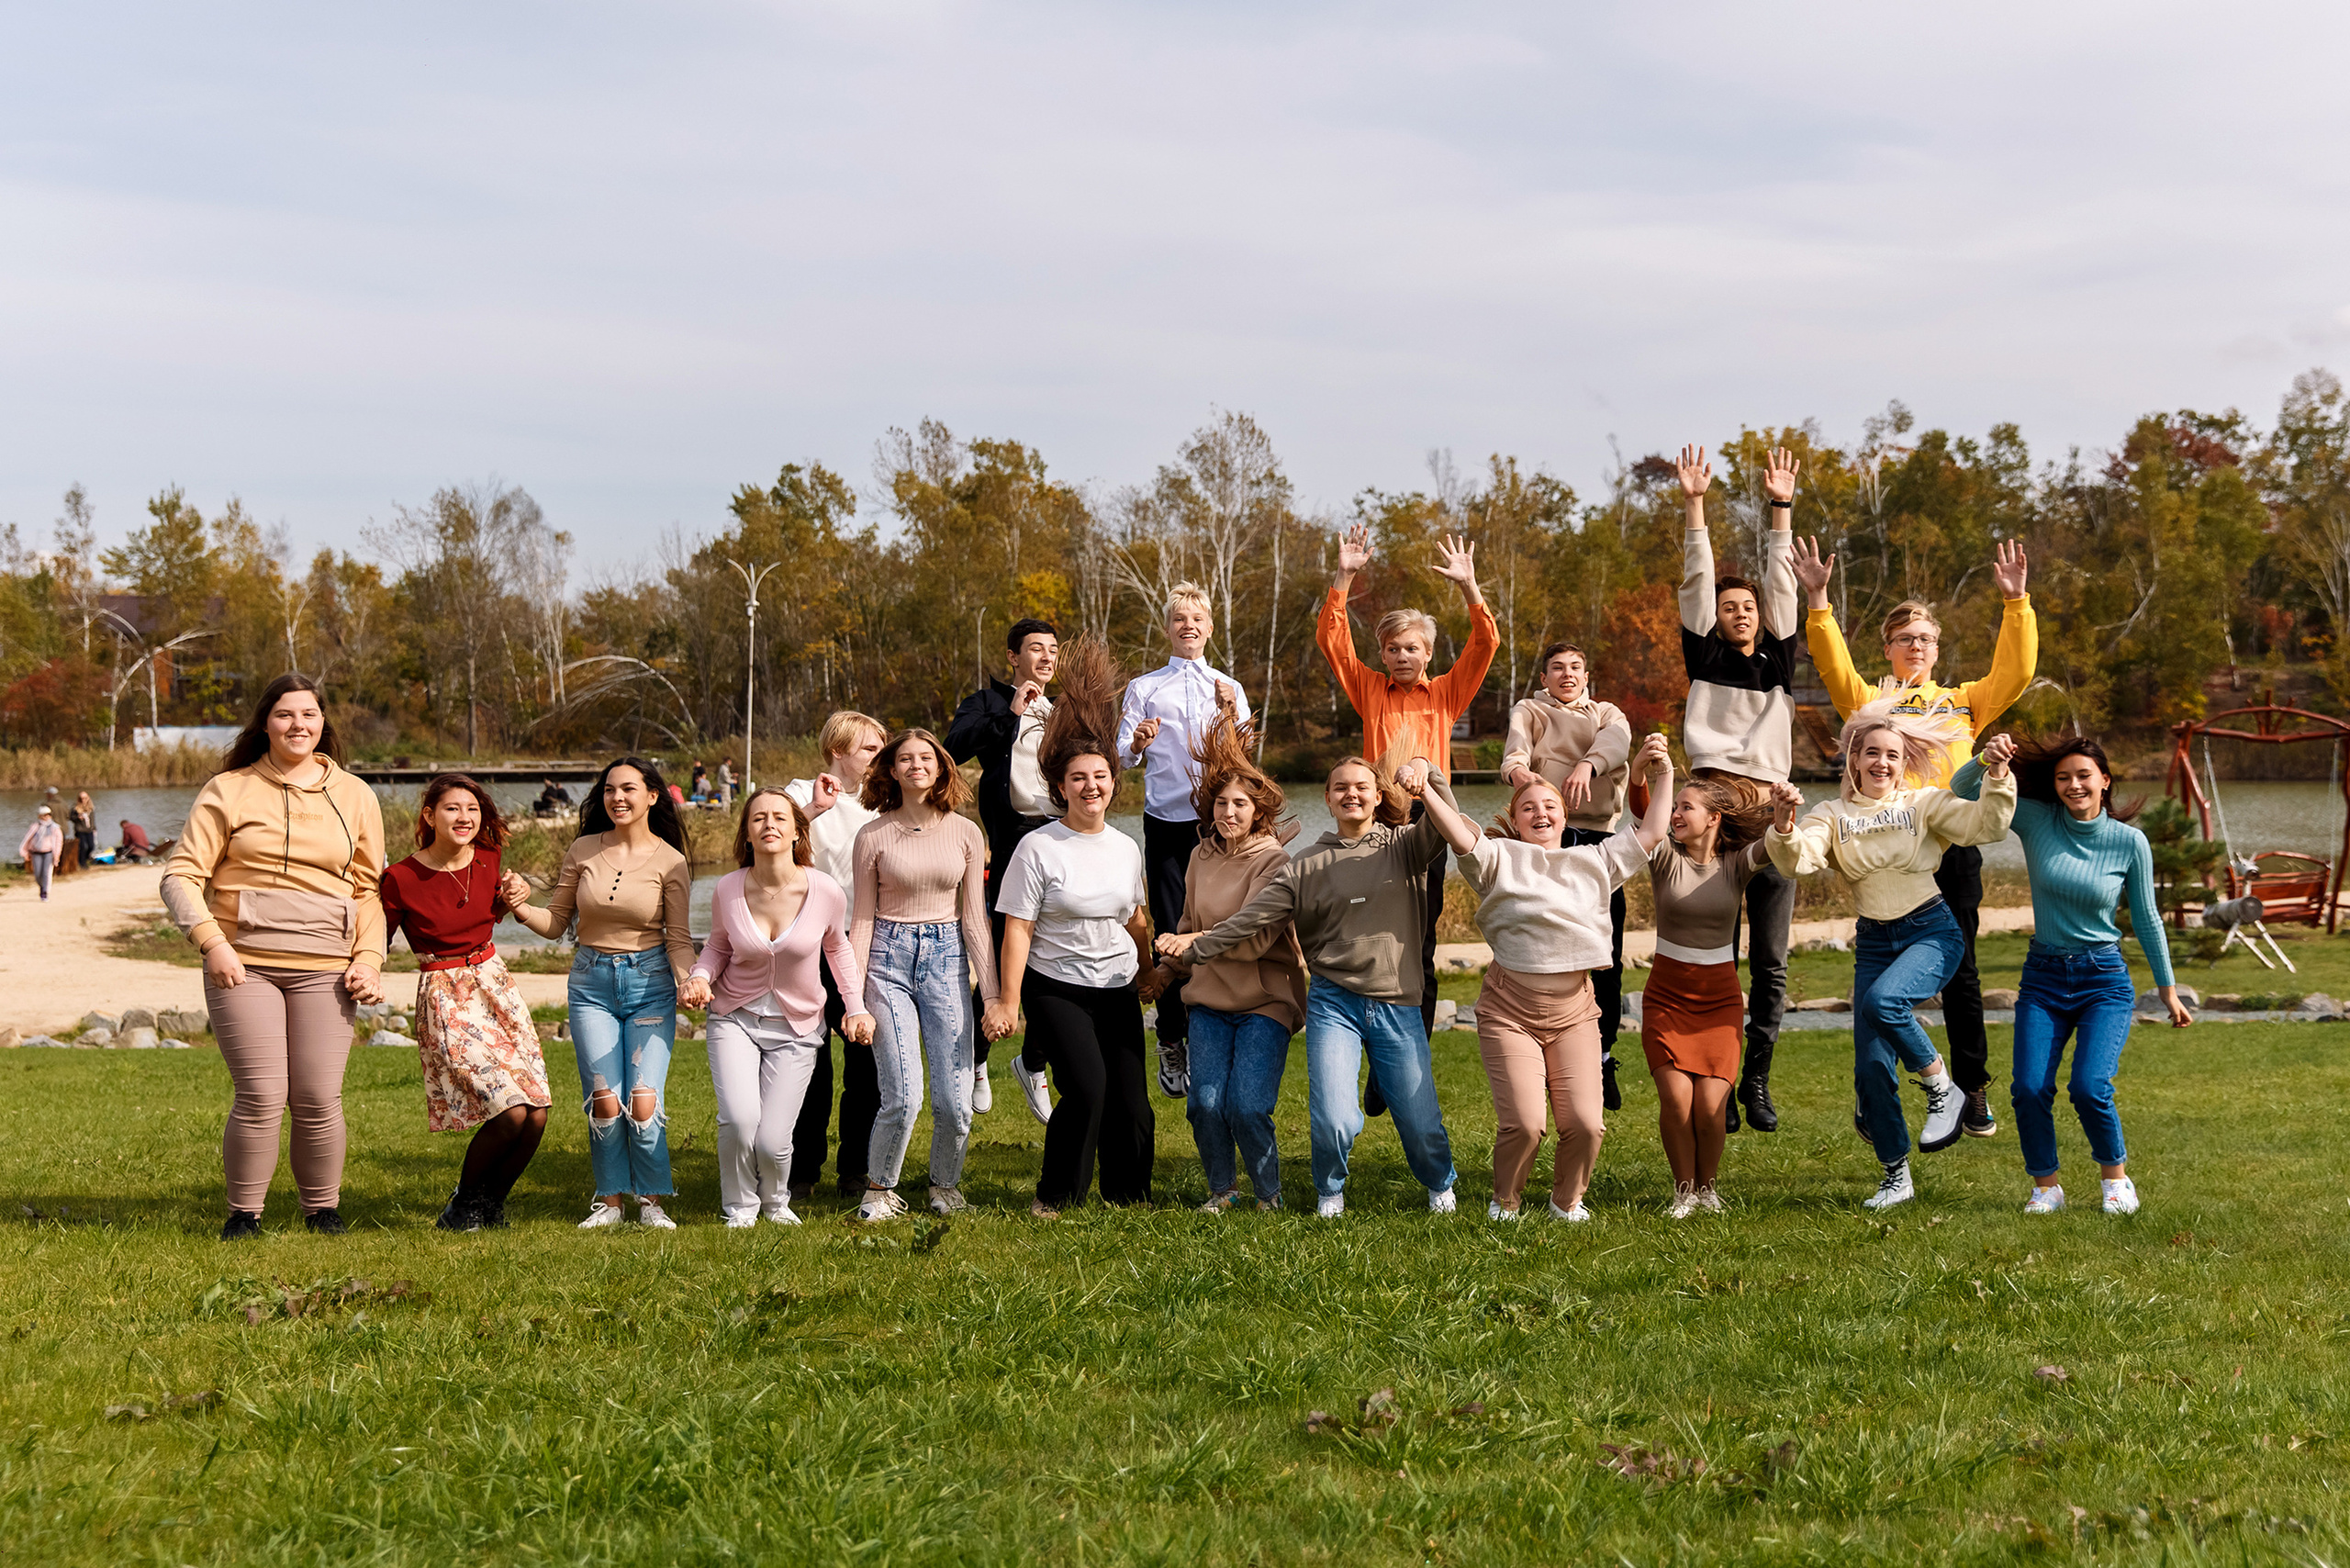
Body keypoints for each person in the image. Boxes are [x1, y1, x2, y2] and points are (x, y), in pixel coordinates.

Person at [1794, 532, 2037, 1140]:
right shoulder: (1871, 705)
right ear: (1890, 648)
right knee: (1878, 983)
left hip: (1951, 853)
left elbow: (2018, 670)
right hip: (1887, 856)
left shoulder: (1963, 705)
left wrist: (2016, 605)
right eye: (1906, 639)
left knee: (1962, 974)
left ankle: (1972, 1092)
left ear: (1936, 649)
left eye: (1926, 639)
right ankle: (1875, 1093)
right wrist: (1819, 604)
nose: (1917, 647)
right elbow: (1833, 666)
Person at [1158, 751, 1460, 1219]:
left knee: (1419, 1122)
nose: (1351, 794)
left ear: (1379, 797)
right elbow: (1250, 921)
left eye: (1361, 787)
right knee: (1333, 1119)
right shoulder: (1305, 865)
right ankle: (1330, 1191)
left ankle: (1440, 1182)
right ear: (1327, 798)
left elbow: (1449, 823)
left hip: (1396, 1002)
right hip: (1333, 1002)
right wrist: (1191, 951)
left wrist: (1428, 771)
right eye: (1340, 787)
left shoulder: (1406, 847)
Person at [1765, 702, 2018, 1211]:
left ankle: (1943, 1089)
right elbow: (1800, 860)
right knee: (1871, 1070)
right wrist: (1784, 822)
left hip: (1931, 931)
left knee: (1883, 1002)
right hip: (1876, 942)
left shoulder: (1924, 803)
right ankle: (1894, 1175)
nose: (1882, 763)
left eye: (1893, 756)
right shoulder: (1831, 816)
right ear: (1854, 760)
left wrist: (1996, 773)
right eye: (1872, 753)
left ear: (1904, 764)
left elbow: (1983, 826)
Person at [161, 674, 386, 1240]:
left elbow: (369, 889)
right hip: (244, 965)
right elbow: (180, 876)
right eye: (286, 715)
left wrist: (369, 960)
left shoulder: (356, 794)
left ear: (323, 723)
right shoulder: (228, 789)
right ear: (265, 722)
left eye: (309, 715)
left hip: (327, 969)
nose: (298, 726)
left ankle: (323, 1212)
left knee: (316, 1095)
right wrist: (212, 944)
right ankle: (244, 1216)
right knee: (262, 1094)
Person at [1415, 734, 1674, 1223]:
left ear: (1565, 815)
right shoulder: (1496, 859)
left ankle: (1566, 1202)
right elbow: (1457, 832)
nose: (1540, 813)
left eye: (1550, 805)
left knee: (1586, 1124)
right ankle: (1505, 1202)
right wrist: (1426, 788)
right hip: (1510, 1011)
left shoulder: (1595, 861)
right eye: (1528, 807)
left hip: (1575, 1011)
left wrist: (1664, 774)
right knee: (1526, 1125)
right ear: (1514, 821)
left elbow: (1655, 829)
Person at [1948, 738, 2190, 1216]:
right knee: (2029, 1087)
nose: (2074, 785)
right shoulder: (2037, 819)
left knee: (2089, 1086)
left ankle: (2116, 1181)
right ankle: (2046, 1188)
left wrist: (2168, 990)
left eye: (2084, 775)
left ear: (2104, 780)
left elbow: (2146, 918)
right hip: (2043, 977)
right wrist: (1988, 759)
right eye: (2064, 778)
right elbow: (1960, 789)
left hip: (2104, 980)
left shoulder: (2129, 842)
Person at [981, 637, 1163, 1216]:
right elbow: (1016, 930)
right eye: (1079, 778)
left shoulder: (1125, 846)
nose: (1091, 786)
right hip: (1056, 985)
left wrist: (1149, 971)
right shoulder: (1037, 848)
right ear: (1060, 787)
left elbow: (1135, 918)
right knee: (1087, 1089)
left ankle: (1128, 1197)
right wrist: (1007, 1001)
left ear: (1114, 783)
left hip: (1115, 986)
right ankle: (1055, 1196)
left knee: (1132, 1103)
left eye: (1101, 776)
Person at [1316, 525, 1496, 1067]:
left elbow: (1485, 643)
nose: (1401, 656)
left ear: (1427, 653)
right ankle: (1370, 1047)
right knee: (1373, 932)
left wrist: (1469, 587)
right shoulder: (1370, 687)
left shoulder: (1445, 692)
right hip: (1380, 820)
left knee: (1420, 938)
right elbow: (1333, 641)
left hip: (1429, 823)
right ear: (1383, 653)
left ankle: (1410, 1049)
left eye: (1412, 648)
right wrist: (1344, 576)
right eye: (1392, 648)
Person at [504, 756, 697, 1230]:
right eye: (610, 789)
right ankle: (609, 1202)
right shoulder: (583, 849)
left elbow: (677, 937)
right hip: (591, 983)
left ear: (653, 796)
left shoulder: (672, 861)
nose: (618, 798)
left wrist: (690, 978)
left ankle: (652, 1201)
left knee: (643, 1098)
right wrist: (519, 906)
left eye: (629, 789)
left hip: (651, 983)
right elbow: (555, 923)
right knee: (605, 1099)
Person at [1677, 444, 1804, 1135]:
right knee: (1716, 957)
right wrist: (1696, 505)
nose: (1740, 613)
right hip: (1717, 811)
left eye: (1748, 606)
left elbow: (1785, 587)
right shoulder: (1705, 654)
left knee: (1772, 962)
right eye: (1729, 608)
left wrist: (1779, 510)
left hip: (1771, 811)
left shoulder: (1781, 658)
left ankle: (1757, 1080)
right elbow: (1695, 580)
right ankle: (1719, 1079)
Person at [681, 787, 876, 1228]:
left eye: (779, 818)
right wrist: (699, 976)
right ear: (747, 835)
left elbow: (838, 950)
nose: (769, 824)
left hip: (799, 1024)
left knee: (772, 1140)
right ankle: (740, 1207)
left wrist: (856, 1006)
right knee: (738, 1119)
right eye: (758, 819)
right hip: (735, 1017)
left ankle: (775, 1200)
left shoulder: (824, 889)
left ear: (796, 832)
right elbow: (717, 946)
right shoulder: (728, 888)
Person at [1147, 713, 1307, 1212]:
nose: (1229, 812)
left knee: (1248, 1106)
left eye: (1240, 804)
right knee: (1204, 1105)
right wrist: (1162, 974)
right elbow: (1187, 921)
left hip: (1265, 1001)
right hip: (1210, 1002)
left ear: (1258, 811)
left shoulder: (1273, 861)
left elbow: (1252, 938)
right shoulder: (1200, 857)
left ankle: (1268, 1195)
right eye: (1222, 803)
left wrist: (1186, 941)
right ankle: (1223, 1191)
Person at [380, 774, 552, 1232]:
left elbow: (490, 911)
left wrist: (518, 894)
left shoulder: (491, 859)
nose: (464, 817)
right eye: (453, 808)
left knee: (536, 1111)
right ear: (429, 815)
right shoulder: (399, 878)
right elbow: (375, 940)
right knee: (510, 1108)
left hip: (496, 986)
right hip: (446, 992)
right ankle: (462, 1204)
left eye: (472, 809)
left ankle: (491, 1205)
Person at [847, 727, 998, 1221]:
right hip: (886, 962)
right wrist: (853, 1000)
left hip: (947, 957)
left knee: (955, 1100)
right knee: (904, 1094)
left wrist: (993, 996)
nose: (916, 765)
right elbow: (862, 919)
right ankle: (879, 1190)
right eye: (905, 759)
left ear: (940, 768)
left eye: (926, 758)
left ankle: (945, 1186)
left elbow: (975, 918)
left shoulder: (966, 832)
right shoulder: (872, 835)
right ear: (892, 770)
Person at [1118, 585, 1251, 1101]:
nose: (1188, 626)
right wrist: (1137, 743)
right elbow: (1122, 756)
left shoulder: (1230, 687)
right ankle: (1171, 1036)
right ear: (1168, 628)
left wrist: (1227, 717)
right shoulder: (1145, 687)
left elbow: (1244, 761)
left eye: (1197, 618)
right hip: (1168, 822)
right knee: (1172, 927)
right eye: (1179, 619)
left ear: (1210, 627)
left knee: (1219, 923)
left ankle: (1216, 1028)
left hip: (1220, 821)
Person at [1501, 640, 1635, 1108]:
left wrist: (1585, 766)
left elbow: (1618, 744)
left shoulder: (1605, 713)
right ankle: (1535, 1052)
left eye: (1576, 667)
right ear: (1544, 677)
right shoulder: (1530, 710)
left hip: (1598, 838)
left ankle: (1602, 1054)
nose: (1567, 674)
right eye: (1557, 668)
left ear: (1586, 675)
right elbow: (1515, 755)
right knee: (1545, 945)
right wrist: (1529, 782)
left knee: (1605, 949)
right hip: (1545, 838)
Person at [1643, 770, 1776, 1215]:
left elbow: (1776, 841)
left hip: (1718, 1001)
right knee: (1678, 1103)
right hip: (1666, 996)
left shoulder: (1737, 863)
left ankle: (1708, 1190)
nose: (1676, 814)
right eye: (1675, 806)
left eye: (1687, 807)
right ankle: (1684, 1192)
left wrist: (1786, 811)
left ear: (1714, 818)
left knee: (1709, 1108)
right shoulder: (1663, 856)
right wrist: (1650, 771)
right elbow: (1644, 812)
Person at [947, 616, 1065, 1123]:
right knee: (999, 957)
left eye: (1053, 650)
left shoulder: (1065, 710)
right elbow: (954, 747)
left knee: (1055, 958)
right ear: (1014, 657)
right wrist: (1013, 714)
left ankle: (1034, 1062)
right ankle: (975, 1058)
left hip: (1061, 835)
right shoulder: (988, 703)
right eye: (1035, 649)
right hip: (1013, 839)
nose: (1045, 657)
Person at [782, 711, 888, 1200]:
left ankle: (857, 1169)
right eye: (870, 748)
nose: (879, 756)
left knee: (865, 1062)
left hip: (868, 940)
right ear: (838, 751)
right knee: (812, 1059)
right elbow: (771, 846)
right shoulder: (802, 791)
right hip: (811, 944)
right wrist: (815, 809)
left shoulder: (887, 798)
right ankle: (802, 1169)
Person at [20, 806, 62, 900]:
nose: (46, 817)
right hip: (36, 852)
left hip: (48, 853)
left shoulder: (55, 828)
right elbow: (27, 839)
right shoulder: (35, 826)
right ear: (40, 816)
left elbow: (58, 842)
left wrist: (56, 856)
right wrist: (24, 851)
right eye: (44, 815)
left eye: (48, 815)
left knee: (46, 873)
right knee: (38, 873)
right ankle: (42, 886)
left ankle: (45, 892)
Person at [70, 791, 96, 870]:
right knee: (83, 847)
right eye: (81, 799)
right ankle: (82, 863)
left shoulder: (91, 808)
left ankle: (85, 858)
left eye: (85, 798)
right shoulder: (75, 808)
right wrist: (78, 818)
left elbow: (93, 820)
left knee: (91, 846)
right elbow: (70, 818)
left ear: (88, 798)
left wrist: (94, 828)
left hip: (89, 830)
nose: (83, 800)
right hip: (80, 830)